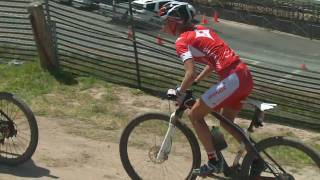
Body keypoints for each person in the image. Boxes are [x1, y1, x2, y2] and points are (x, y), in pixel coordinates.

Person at [159, 1, 254, 177]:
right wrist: (195, 83)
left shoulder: (181, 41)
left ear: (174, 22)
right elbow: (210, 64)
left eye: (164, 22)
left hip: (232, 79)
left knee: (194, 115)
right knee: (225, 121)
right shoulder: (203, 29)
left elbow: (190, 72)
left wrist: (180, 92)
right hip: (244, 75)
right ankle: (255, 159)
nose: (163, 27)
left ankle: (213, 161)